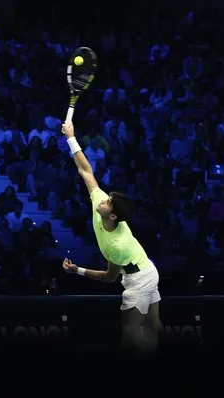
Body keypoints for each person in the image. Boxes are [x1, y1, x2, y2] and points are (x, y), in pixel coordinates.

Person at [60, 121, 163, 354]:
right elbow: (86, 171)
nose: (102, 200)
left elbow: (109, 277)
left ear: (113, 215)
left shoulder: (118, 245)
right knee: (154, 326)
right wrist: (71, 138)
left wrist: (77, 271)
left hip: (140, 280)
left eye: (107, 203)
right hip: (147, 268)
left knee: (130, 335)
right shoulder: (102, 204)